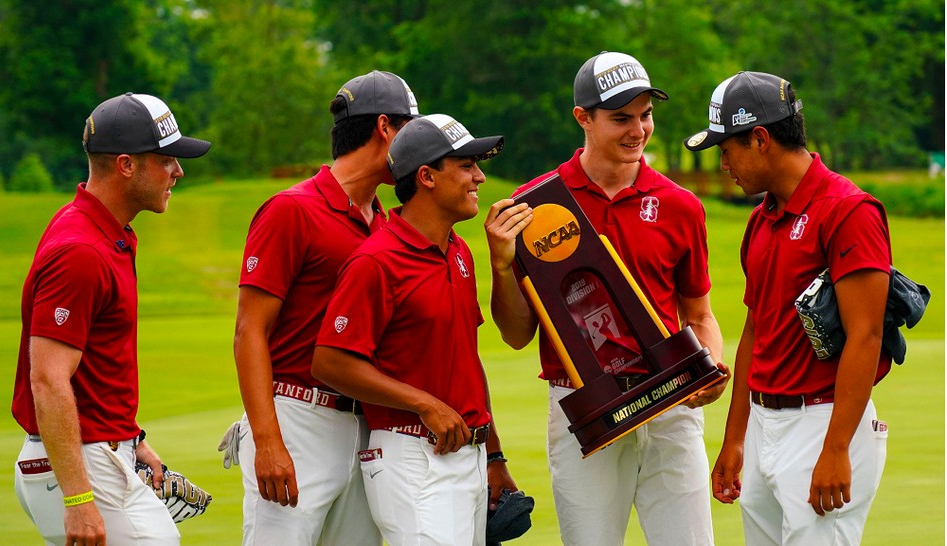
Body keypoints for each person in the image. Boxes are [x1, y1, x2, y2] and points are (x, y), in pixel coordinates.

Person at [485, 51, 728, 546]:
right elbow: (515, 335)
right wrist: (502, 265)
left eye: (645, 115)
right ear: (583, 118)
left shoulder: (681, 206)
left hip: (671, 398)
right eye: (621, 118)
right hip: (584, 403)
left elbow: (699, 313)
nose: (637, 130)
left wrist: (713, 364)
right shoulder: (536, 207)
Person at [684, 71, 891, 545]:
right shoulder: (760, 221)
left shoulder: (848, 210)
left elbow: (867, 335)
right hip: (763, 424)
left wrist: (837, 447)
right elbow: (756, 332)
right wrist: (736, 437)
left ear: (759, 139)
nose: (723, 165)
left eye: (726, 149)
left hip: (824, 422)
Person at [11, 92, 211, 545]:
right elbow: (47, 378)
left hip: (92, 452)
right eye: (167, 159)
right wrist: (79, 500)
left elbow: (94, 370)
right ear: (126, 165)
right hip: (80, 464)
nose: (178, 171)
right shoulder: (81, 250)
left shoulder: (104, 232)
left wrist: (133, 438)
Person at [230, 70, 415, 546]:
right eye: (410, 130)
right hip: (297, 419)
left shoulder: (386, 225)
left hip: (365, 428)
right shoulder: (291, 210)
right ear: (384, 129)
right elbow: (250, 330)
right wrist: (267, 439)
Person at [312, 113, 510, 546]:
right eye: (465, 165)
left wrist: (494, 454)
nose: (479, 177)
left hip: (469, 455)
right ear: (426, 176)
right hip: (413, 456)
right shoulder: (375, 261)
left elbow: (466, 360)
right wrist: (424, 404)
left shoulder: (459, 252)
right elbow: (330, 361)